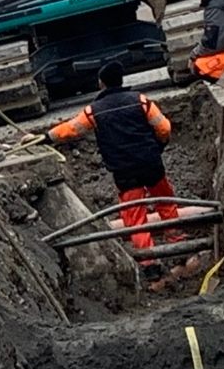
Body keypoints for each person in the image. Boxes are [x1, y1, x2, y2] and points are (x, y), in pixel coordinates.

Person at [41, 61, 183, 280]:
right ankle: (179, 248)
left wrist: (46, 137)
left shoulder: (94, 111)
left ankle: (150, 264)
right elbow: (163, 127)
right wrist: (159, 145)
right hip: (151, 163)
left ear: (101, 84)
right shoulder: (141, 100)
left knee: (134, 217)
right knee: (166, 203)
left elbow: (71, 129)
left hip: (124, 171)